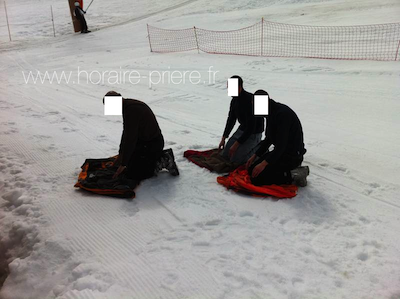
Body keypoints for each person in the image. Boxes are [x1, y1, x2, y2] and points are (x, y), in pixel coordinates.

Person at [103, 91, 179, 181]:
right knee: (129, 164)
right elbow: (127, 133)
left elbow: (130, 138)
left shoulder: (131, 110)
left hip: (152, 144)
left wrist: (123, 164)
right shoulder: (127, 106)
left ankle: (164, 159)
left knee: (134, 174)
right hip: (143, 142)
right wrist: (121, 155)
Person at [246, 90, 309, 187]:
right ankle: (285, 173)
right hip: (281, 153)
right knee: (252, 170)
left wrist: (263, 164)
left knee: (257, 179)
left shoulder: (282, 114)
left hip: (292, 156)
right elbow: (269, 139)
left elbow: (281, 145)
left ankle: (295, 174)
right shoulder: (270, 112)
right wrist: (255, 156)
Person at [219, 76, 264, 165]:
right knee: (226, 154)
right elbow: (231, 119)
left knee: (237, 160)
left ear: (239, 87)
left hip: (254, 133)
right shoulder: (234, 101)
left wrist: (236, 144)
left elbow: (251, 128)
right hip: (242, 130)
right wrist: (224, 137)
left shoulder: (250, 101)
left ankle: (261, 148)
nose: (229, 91)